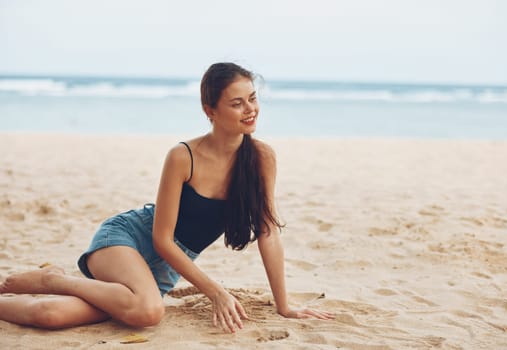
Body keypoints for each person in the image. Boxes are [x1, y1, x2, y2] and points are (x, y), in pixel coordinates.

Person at [0, 62, 334, 333]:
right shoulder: (183, 155)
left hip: (163, 271)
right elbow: (161, 239)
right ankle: (51, 279)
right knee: (148, 311)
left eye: (253, 98)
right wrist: (215, 291)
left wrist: (284, 305)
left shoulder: (262, 158)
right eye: (237, 103)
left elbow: (268, 232)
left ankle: (44, 287)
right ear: (210, 110)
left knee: (50, 315)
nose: (250, 110)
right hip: (126, 241)